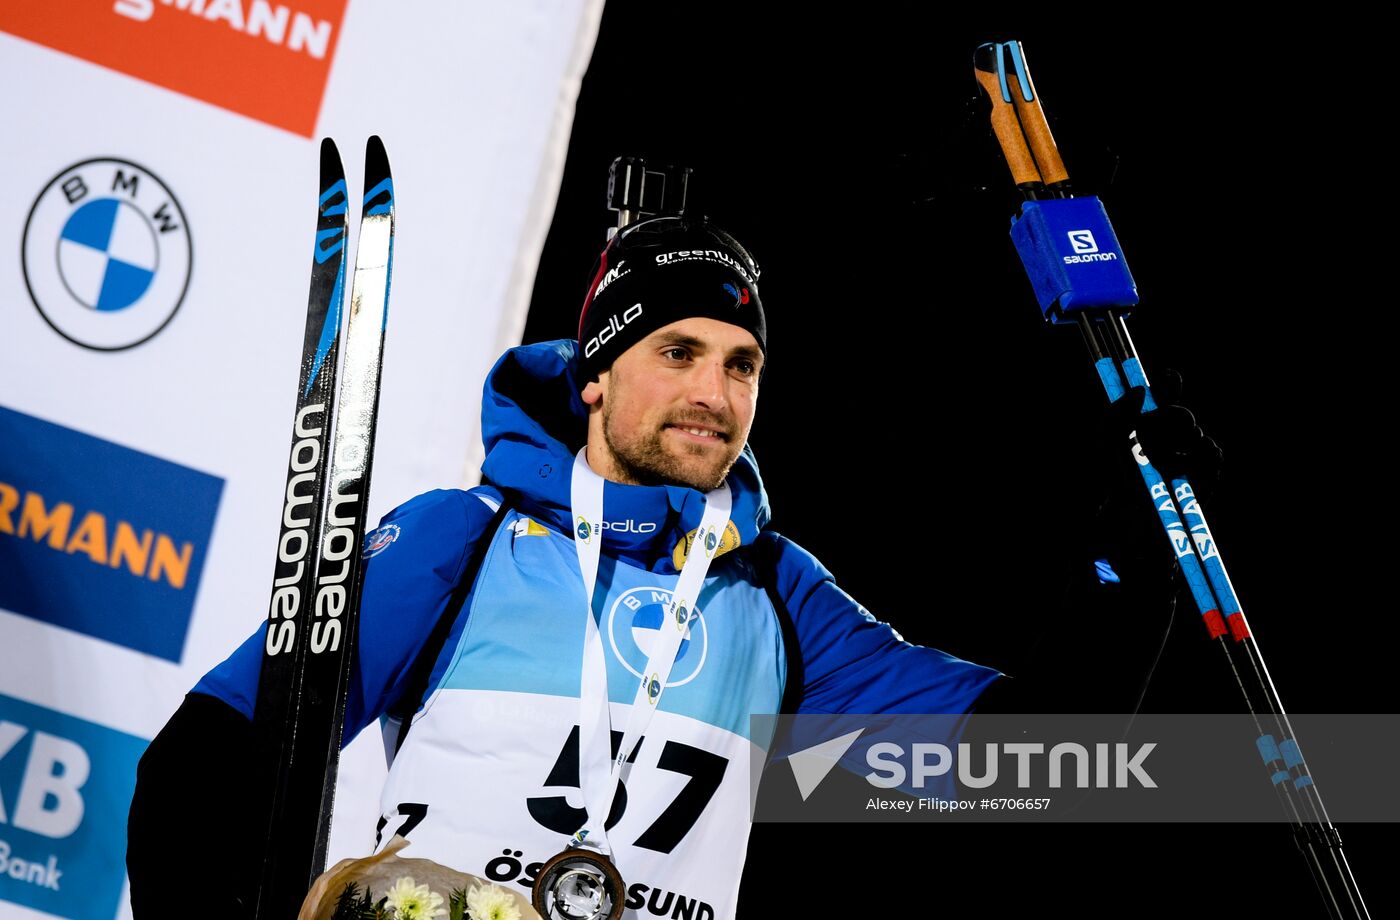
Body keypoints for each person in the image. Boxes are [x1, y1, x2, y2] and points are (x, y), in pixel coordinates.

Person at [127, 215, 1214, 918]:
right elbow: (207, 757)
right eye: (678, 352)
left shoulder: (778, 593)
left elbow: (1038, 751)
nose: (716, 390)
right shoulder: (466, 539)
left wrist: (1136, 545)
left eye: (742, 363)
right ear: (595, 376)